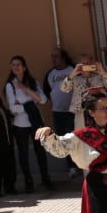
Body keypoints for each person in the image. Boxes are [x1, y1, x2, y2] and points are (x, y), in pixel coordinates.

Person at [4, 55, 52, 192]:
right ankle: (28, 181)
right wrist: (29, 104)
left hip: (36, 122)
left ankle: (46, 179)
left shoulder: (32, 82)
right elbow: (13, 108)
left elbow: (42, 100)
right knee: (23, 153)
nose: (16, 67)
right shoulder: (10, 85)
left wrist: (25, 89)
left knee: (40, 151)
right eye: (13, 65)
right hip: (20, 125)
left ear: (24, 67)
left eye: (18, 64)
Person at [46, 47, 79, 179]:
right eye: (52, 56)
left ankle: (78, 163)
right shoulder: (50, 74)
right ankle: (71, 167)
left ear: (63, 57)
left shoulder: (72, 70)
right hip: (57, 112)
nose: (53, 59)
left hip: (72, 111)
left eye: (56, 56)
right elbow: (47, 90)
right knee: (62, 139)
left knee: (74, 137)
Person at [61, 54, 107, 132]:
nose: (85, 66)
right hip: (81, 113)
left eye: (88, 64)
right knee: (83, 137)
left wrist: (102, 72)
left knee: (102, 135)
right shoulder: (75, 79)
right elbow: (64, 89)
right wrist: (73, 74)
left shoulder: (99, 77)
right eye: (83, 64)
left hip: (99, 112)